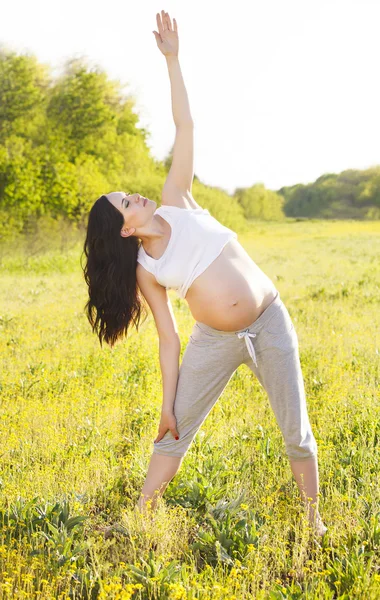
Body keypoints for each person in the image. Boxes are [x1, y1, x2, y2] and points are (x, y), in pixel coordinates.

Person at [82, 10, 327, 537]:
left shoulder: (177, 201)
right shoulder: (147, 269)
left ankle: (315, 522)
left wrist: (173, 61)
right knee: (173, 431)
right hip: (214, 339)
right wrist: (166, 404)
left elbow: (184, 126)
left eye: (129, 193)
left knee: (296, 431)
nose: (136, 195)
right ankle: (141, 514)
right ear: (125, 231)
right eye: (126, 203)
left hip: (269, 321)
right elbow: (169, 340)